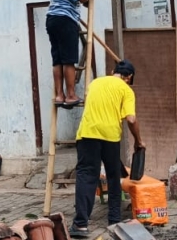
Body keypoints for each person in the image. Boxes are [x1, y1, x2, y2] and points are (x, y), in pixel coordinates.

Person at [70, 60, 144, 239]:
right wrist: (138, 141)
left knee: (87, 176)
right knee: (113, 176)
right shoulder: (126, 90)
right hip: (110, 137)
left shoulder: (94, 83)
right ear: (129, 77)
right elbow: (131, 119)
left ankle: (80, 225)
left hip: (88, 134)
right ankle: (115, 221)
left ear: (113, 71)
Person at [47, 0, 99, 109]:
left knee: (58, 60)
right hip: (65, 20)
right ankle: (70, 95)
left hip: (53, 19)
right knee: (68, 60)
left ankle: (59, 95)